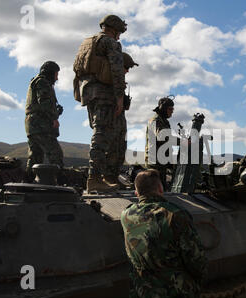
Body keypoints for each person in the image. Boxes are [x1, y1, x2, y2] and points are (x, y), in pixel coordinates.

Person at [121, 169, 207, 298]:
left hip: (141, 292)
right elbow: (196, 261)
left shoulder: (125, 215)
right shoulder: (175, 214)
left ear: (136, 193)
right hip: (174, 293)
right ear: (161, 188)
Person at [73, 15, 127, 193]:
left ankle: (102, 178)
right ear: (114, 29)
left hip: (89, 92)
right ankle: (94, 178)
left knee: (101, 132)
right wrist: (119, 96)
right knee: (103, 134)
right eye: (119, 32)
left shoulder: (88, 42)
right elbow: (117, 70)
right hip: (104, 93)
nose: (119, 36)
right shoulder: (111, 43)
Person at [24, 61, 64, 182]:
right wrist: (54, 117)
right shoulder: (42, 82)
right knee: (55, 153)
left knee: (35, 157)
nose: (57, 77)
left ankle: (28, 182)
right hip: (41, 125)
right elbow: (45, 103)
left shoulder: (36, 81)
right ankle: (60, 182)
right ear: (50, 73)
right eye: (56, 74)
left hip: (32, 125)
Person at [104, 52, 139, 189]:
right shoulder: (109, 79)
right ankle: (107, 178)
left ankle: (114, 177)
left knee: (120, 149)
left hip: (120, 121)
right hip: (111, 119)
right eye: (126, 67)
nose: (128, 70)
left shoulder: (119, 81)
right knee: (110, 148)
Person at [145, 96, 177, 189]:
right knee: (155, 188)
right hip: (154, 161)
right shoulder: (155, 121)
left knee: (162, 187)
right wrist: (182, 142)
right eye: (170, 109)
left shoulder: (165, 122)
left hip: (162, 160)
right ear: (163, 108)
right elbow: (162, 136)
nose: (172, 111)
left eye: (173, 109)